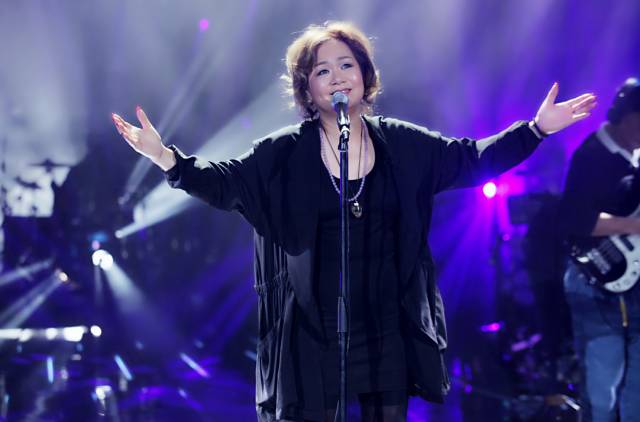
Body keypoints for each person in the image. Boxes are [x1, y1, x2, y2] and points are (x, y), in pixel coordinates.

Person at [112, 21, 596, 422]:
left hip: (386, 328)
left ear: (365, 75)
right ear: (307, 88)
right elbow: (226, 183)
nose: (337, 77)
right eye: (322, 70)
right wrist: (165, 157)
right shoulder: (284, 152)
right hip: (314, 332)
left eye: (346, 65)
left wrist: (536, 130)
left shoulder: (402, 143)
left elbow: (471, 159)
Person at [559, 77, 640, 422]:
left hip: (633, 281)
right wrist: (633, 226)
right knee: (601, 389)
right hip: (594, 279)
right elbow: (575, 220)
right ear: (627, 115)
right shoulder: (593, 154)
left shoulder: (635, 156)